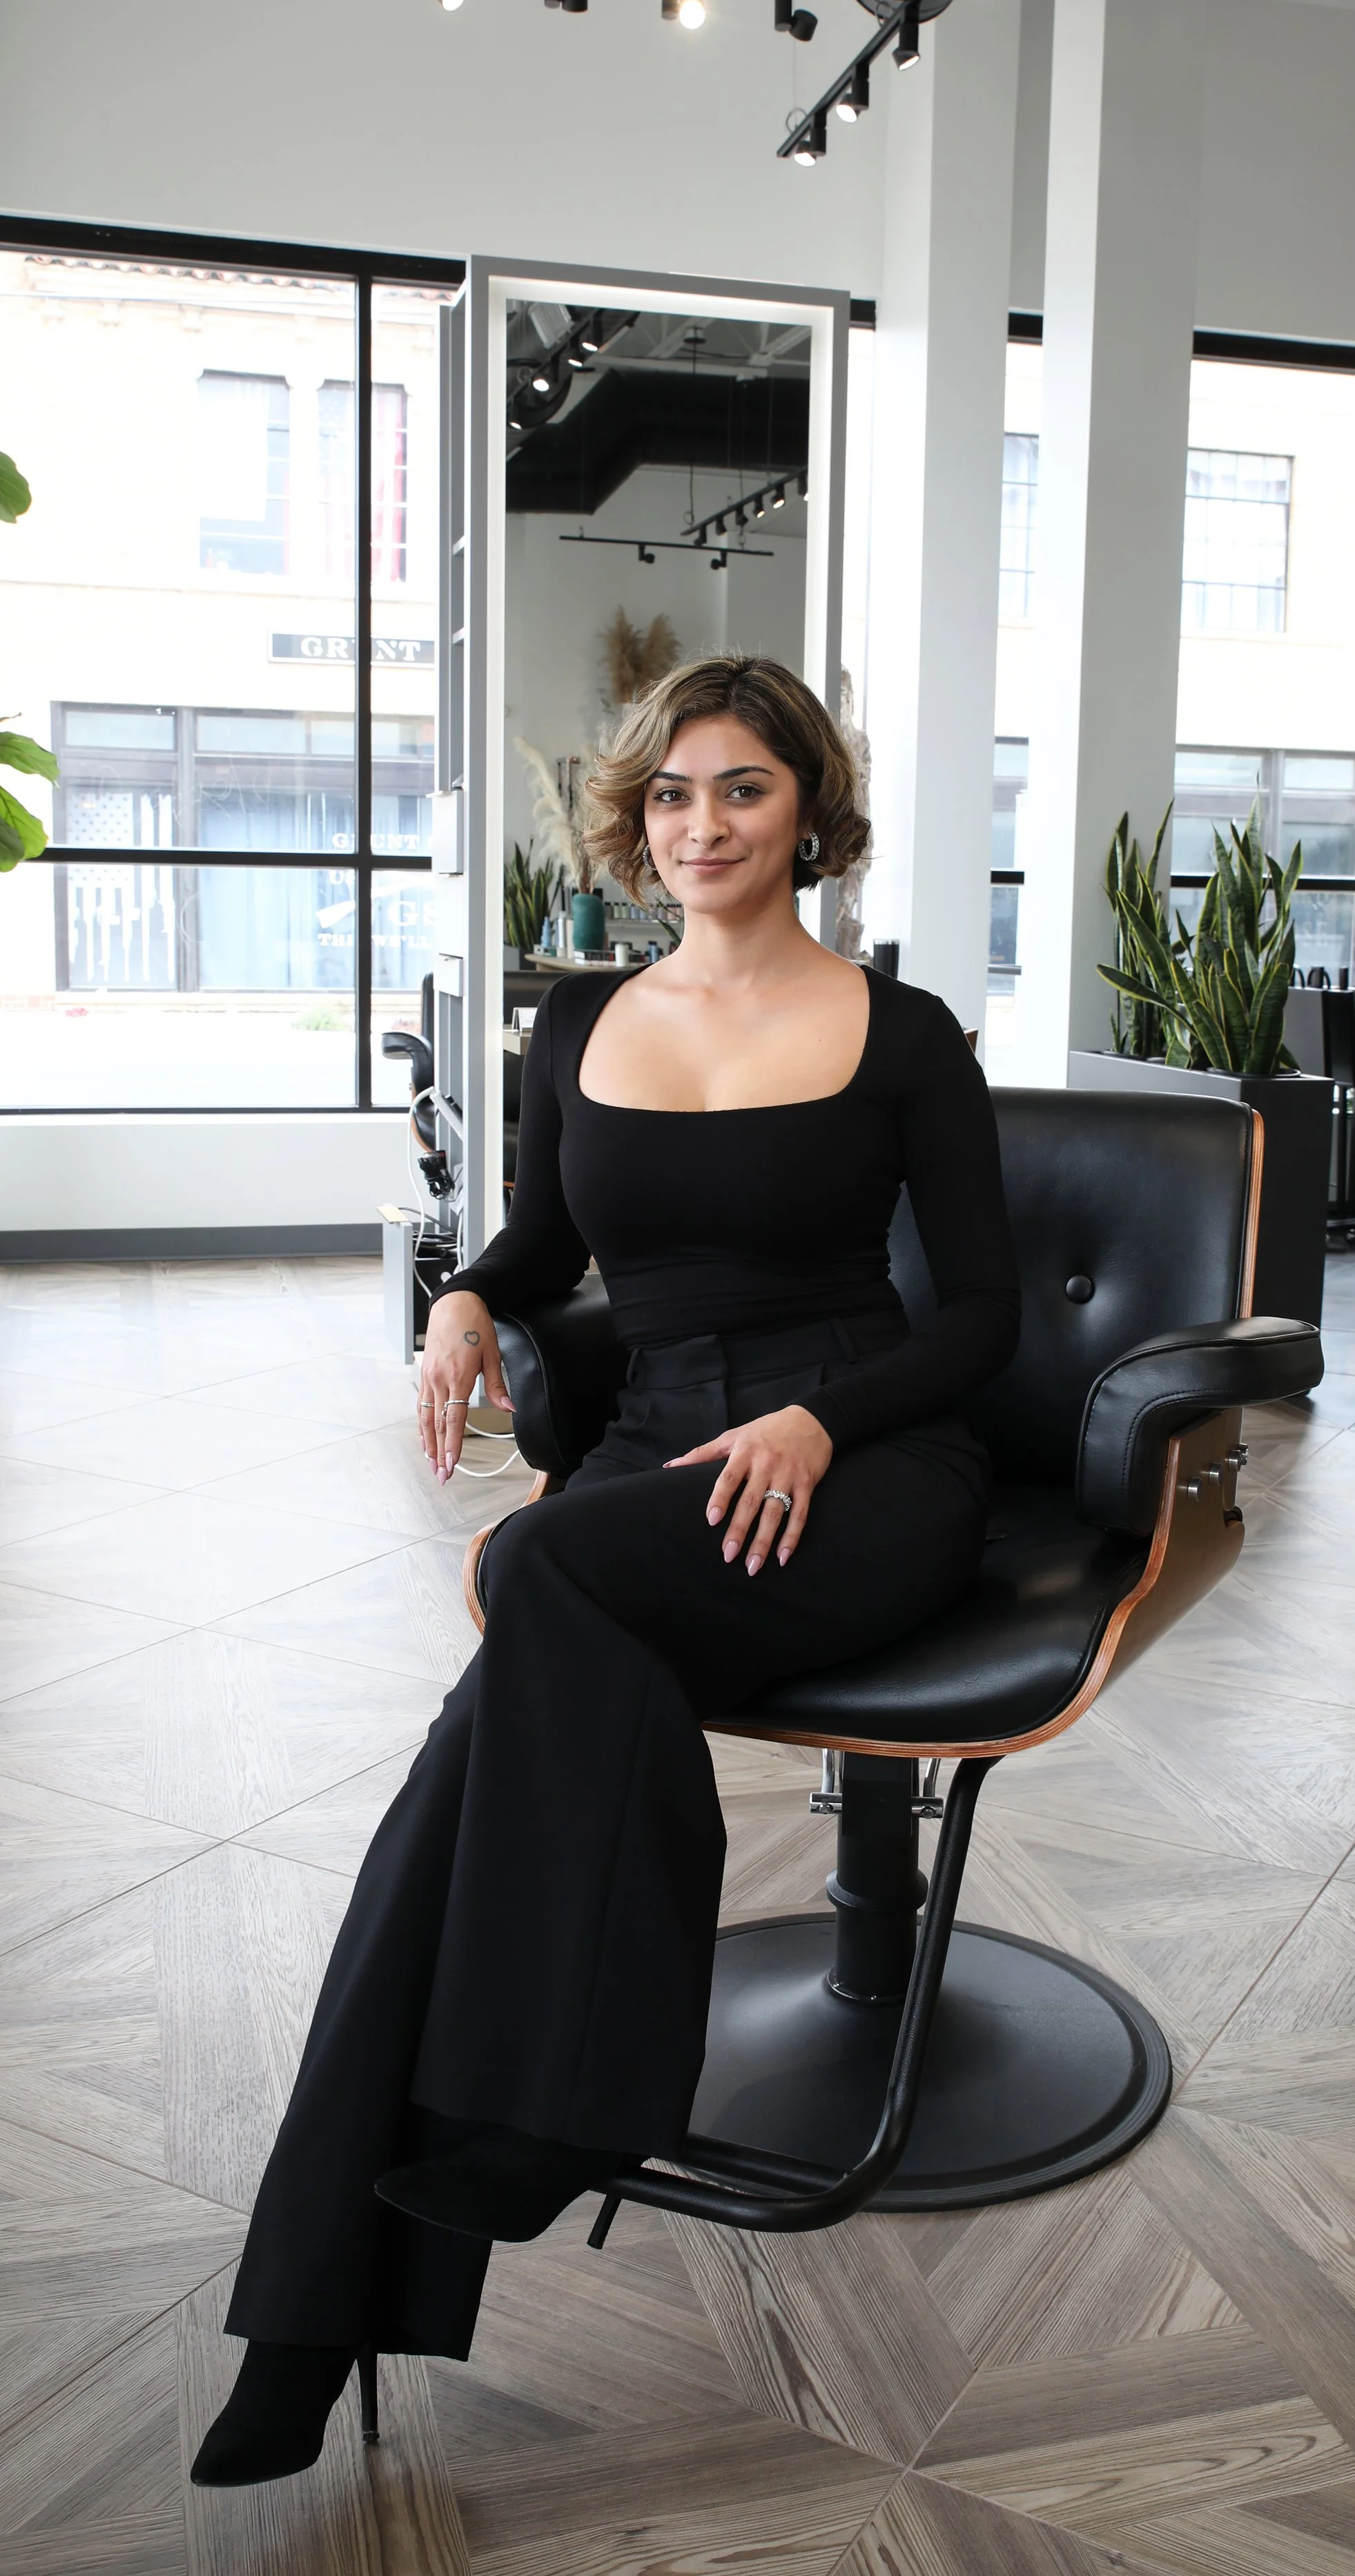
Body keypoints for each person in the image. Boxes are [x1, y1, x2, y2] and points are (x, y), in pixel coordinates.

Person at [191, 656, 1021, 2487]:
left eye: (742, 788)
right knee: (456, 1789)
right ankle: (320, 2308)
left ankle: (517, 2139)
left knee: (535, 1570)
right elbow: (546, 1237)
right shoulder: (578, 1021)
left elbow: (982, 1315)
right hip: (656, 1466)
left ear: (809, 811)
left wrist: (823, 1422)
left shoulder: (903, 1034)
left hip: (865, 1461)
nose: (699, 824)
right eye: (669, 793)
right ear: (637, 819)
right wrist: (465, 1300)